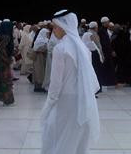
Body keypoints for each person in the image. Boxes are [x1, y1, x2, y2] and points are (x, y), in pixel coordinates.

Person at [41, 10, 100, 154]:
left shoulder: (60, 49)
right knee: (77, 140)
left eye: (55, 27)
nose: (53, 31)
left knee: (61, 139)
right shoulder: (84, 48)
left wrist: (49, 104)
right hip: (83, 99)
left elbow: (55, 84)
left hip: (66, 101)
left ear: (63, 27)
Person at [82, 21, 104, 93]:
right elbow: (98, 45)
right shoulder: (92, 34)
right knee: (97, 71)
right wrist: (102, 55)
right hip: (94, 55)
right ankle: (97, 88)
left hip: (88, 55)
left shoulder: (85, 34)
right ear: (95, 27)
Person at [98, 16, 116, 86]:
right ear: (104, 23)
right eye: (107, 22)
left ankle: (109, 82)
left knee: (108, 67)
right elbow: (104, 43)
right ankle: (106, 82)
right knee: (106, 67)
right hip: (105, 52)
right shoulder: (102, 31)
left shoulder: (104, 30)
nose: (108, 23)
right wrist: (110, 51)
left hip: (107, 51)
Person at [32, 24, 50, 92]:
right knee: (39, 72)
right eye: (47, 33)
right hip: (39, 58)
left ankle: (40, 86)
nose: (48, 34)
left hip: (41, 58)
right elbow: (37, 49)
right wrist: (45, 48)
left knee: (40, 72)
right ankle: (38, 87)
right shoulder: (40, 40)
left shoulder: (44, 39)